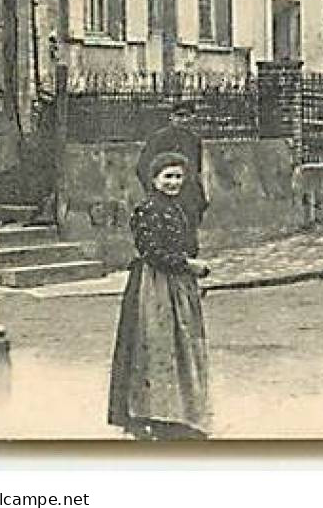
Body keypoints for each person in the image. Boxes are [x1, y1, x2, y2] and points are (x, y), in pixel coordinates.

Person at [107, 151, 211, 440]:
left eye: (179, 177)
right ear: (154, 179)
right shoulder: (147, 209)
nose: (174, 182)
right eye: (168, 176)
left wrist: (189, 274)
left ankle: (177, 414)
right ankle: (149, 415)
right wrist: (188, 266)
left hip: (177, 284)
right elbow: (152, 252)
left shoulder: (178, 207)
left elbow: (185, 245)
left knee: (181, 346)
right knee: (154, 346)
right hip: (153, 287)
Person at [137, 99, 208, 232]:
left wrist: (201, 195)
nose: (184, 120)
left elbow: (197, 170)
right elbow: (143, 166)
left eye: (187, 116)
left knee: (189, 229)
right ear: (172, 117)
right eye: (180, 116)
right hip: (166, 191)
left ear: (193, 117)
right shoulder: (159, 138)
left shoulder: (194, 139)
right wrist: (154, 189)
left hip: (188, 194)